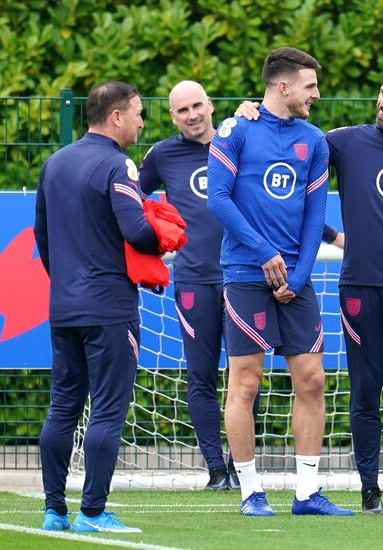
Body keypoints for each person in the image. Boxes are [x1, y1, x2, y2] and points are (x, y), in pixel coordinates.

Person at [236, 64, 383, 514]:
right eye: (381, 92)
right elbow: (287, 160)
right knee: (364, 390)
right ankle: (369, 491)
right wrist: (249, 111)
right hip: (359, 288)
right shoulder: (346, 141)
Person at [207, 47, 353, 517]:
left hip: (298, 281)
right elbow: (219, 201)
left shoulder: (314, 141)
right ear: (284, 86)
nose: (317, 94)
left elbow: (316, 217)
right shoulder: (235, 131)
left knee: (312, 381)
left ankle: (307, 494)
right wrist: (265, 252)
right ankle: (251, 492)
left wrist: (302, 273)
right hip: (246, 275)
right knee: (245, 384)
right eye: (310, 86)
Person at [34, 80, 159, 533]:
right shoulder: (117, 163)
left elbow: (42, 240)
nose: (143, 122)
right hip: (108, 306)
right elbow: (137, 231)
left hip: (64, 304)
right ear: (117, 116)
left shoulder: (54, 163)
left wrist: (68, 281)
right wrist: (161, 235)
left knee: (63, 406)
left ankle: (53, 511)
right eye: (139, 113)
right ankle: (91, 512)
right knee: (107, 408)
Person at [138, 80, 242, 490]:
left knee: (243, 377)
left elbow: (274, 202)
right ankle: (216, 470)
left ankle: (241, 467)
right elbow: (130, 198)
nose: (192, 115)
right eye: (182, 110)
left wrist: (329, 236)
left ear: (211, 105)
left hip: (242, 278)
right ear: (172, 117)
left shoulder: (238, 145)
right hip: (193, 281)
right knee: (201, 376)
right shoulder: (162, 155)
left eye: (197, 105)